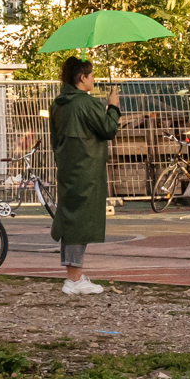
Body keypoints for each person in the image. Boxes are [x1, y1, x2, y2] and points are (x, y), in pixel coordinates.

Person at [48, 54, 120, 295]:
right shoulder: (84, 103)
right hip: (87, 169)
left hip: (68, 169)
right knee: (80, 222)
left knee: (70, 220)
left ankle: (73, 276)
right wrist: (113, 107)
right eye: (91, 76)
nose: (93, 80)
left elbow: (55, 140)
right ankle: (75, 279)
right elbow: (108, 129)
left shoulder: (57, 104)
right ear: (82, 77)